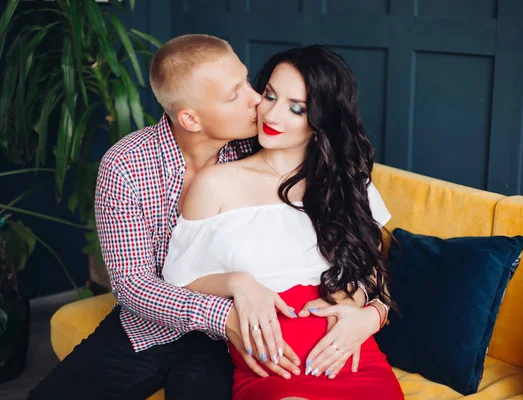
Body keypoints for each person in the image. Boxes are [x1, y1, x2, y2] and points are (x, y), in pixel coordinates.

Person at [29, 35, 370, 400]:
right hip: (154, 329)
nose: (258, 101)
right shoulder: (126, 165)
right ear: (190, 118)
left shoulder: (264, 139)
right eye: (234, 93)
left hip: (229, 344)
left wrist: (371, 310)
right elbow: (132, 284)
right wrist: (225, 306)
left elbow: (341, 210)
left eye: (246, 82)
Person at [162, 45, 404, 400]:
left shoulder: (347, 183)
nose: (272, 115)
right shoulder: (216, 182)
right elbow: (178, 280)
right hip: (276, 368)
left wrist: (371, 316)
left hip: (351, 357)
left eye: (296, 108)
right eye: (270, 96)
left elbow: (372, 271)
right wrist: (238, 283)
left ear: (321, 119)